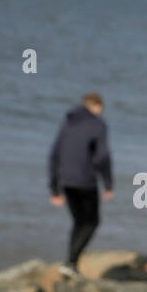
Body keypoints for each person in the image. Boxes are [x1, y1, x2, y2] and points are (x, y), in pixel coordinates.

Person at [48, 92, 113, 276]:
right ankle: (70, 262)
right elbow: (102, 157)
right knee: (91, 222)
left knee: (79, 222)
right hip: (85, 181)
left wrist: (54, 188)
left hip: (65, 181)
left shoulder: (68, 123)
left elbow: (54, 155)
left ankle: (71, 263)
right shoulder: (98, 125)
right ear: (97, 106)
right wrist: (108, 184)